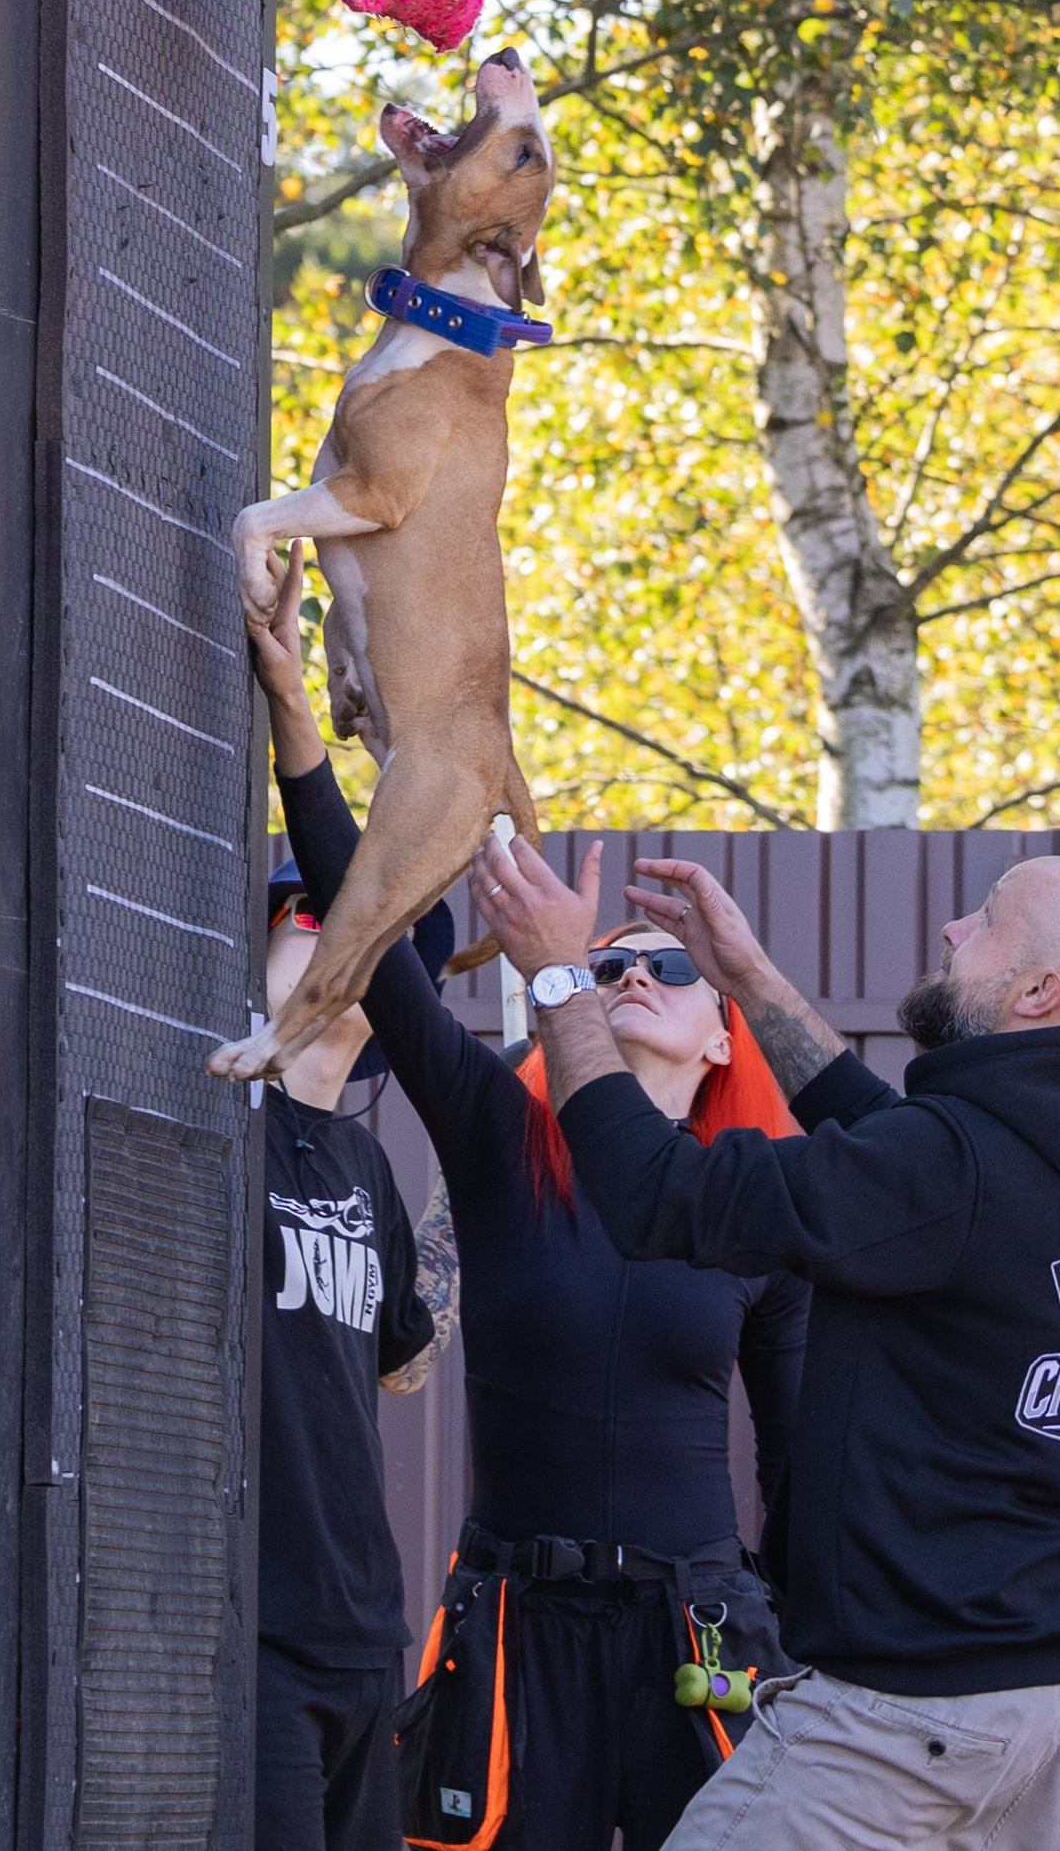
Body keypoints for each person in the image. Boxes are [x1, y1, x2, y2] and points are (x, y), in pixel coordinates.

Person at [228, 554, 810, 1851]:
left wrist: (808, 1648)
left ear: (724, 1033)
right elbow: (374, 952)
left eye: (668, 968)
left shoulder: (758, 1199)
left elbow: (799, 1459)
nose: (631, 975)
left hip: (700, 1633)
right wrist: (299, 731)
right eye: (605, 965)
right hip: (516, 1626)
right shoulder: (503, 1139)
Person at [472, 826, 1060, 1851]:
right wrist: (750, 981)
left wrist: (557, 980)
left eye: (986, 922)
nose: (952, 929)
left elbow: (654, 1192)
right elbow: (891, 1146)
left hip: (911, 1709)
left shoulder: (948, 1172)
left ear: (1039, 992)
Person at [255, 856, 444, 1851]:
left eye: (390, 925)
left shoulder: (365, 1163)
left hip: (364, 1627)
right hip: (243, 1624)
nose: (359, 928)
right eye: (322, 909)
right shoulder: (204, 1128)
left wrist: (475, 1186)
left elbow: (402, 1364)